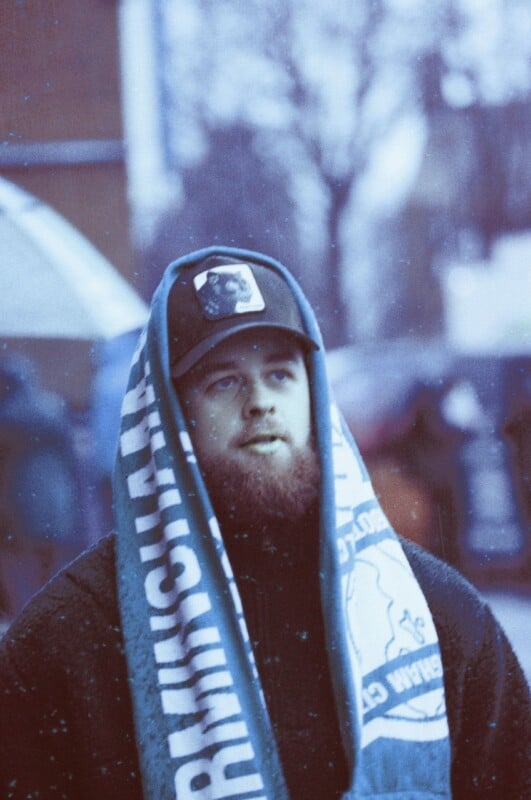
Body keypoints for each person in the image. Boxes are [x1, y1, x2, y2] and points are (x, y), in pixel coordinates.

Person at [0, 246, 529, 800]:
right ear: (170, 417)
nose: (260, 403)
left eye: (280, 374)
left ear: (314, 395)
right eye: (224, 382)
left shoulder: (435, 616)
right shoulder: (70, 640)